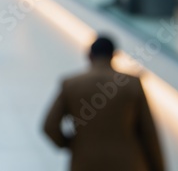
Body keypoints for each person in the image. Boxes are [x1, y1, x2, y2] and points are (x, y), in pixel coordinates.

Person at [43, 36, 165, 171]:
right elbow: (149, 133)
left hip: (85, 163)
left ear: (89, 55)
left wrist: (71, 144)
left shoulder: (71, 84)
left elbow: (49, 126)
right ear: (114, 55)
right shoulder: (132, 84)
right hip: (128, 164)